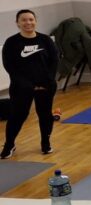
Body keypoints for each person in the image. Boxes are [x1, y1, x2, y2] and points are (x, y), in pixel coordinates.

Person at [1, 10, 59, 158]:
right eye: (24, 20)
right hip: (21, 87)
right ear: (18, 23)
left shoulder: (45, 40)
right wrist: (28, 85)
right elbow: (10, 66)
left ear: (35, 21)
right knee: (18, 115)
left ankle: (45, 142)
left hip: (45, 86)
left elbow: (54, 62)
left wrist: (46, 82)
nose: (28, 23)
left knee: (45, 115)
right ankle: (9, 145)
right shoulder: (11, 42)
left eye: (31, 19)